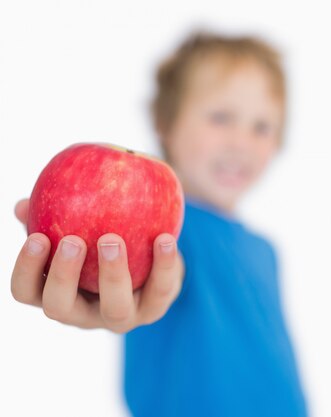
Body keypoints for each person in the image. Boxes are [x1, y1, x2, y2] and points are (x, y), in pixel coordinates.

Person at [10, 31, 308, 417]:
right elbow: (168, 271)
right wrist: (99, 287)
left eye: (262, 127)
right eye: (221, 118)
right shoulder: (169, 234)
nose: (242, 142)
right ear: (164, 123)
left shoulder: (265, 249)